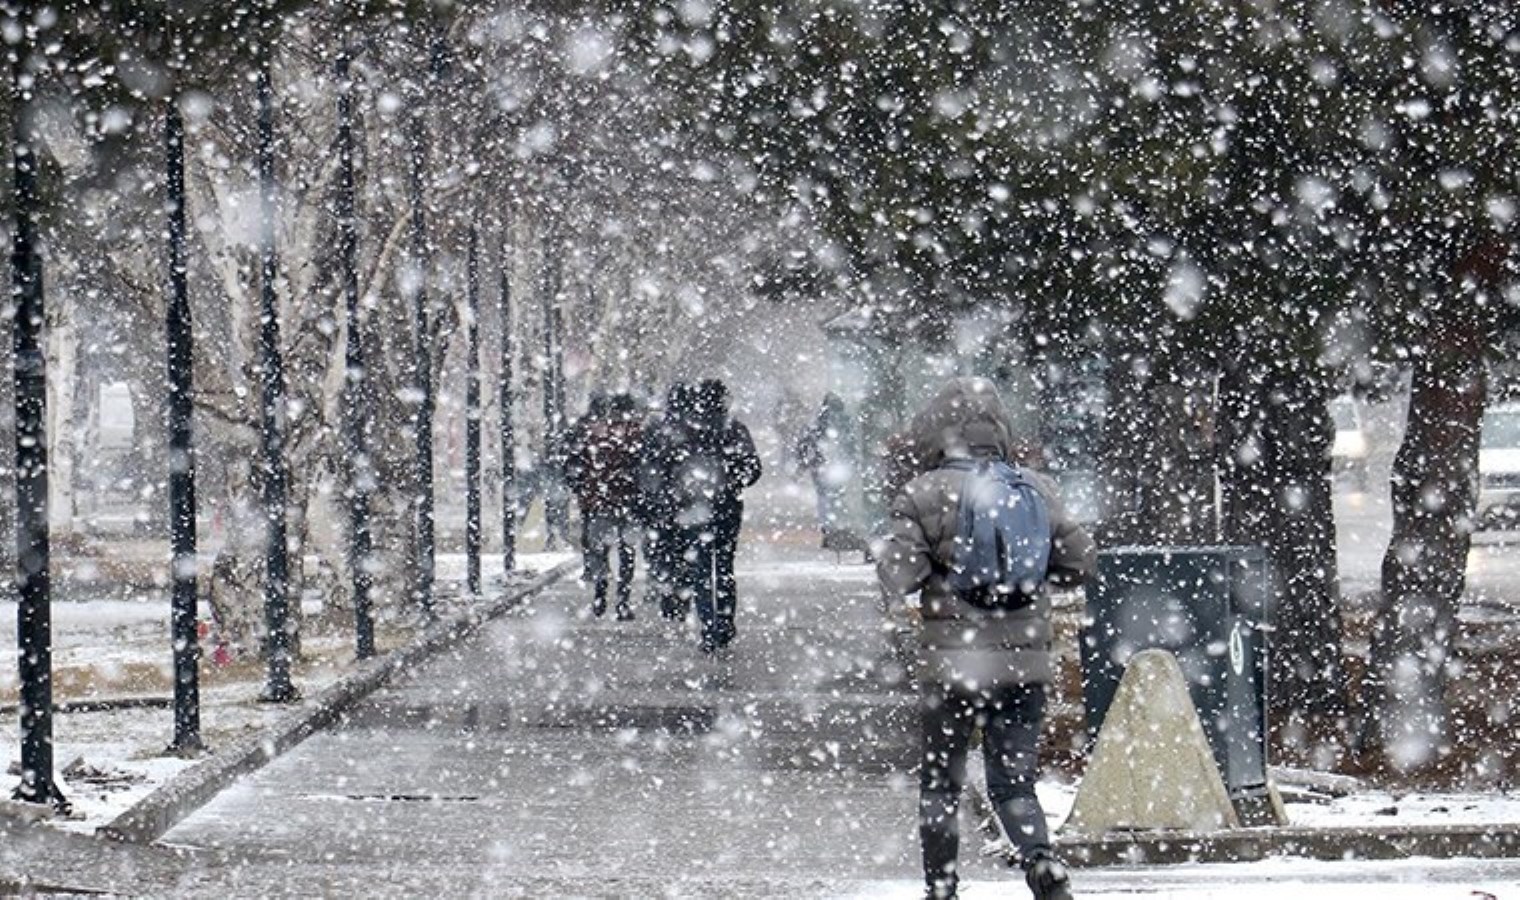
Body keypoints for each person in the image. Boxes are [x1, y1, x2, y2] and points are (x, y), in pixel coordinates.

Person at [874, 377, 1094, 900]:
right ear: (1000, 430)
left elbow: (897, 575)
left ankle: (943, 885)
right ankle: (1042, 860)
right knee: (1014, 779)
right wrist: (1027, 586)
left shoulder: (922, 493)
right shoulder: (1036, 488)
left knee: (942, 783)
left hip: (953, 665)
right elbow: (1080, 562)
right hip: (1025, 664)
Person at [667, 379, 761, 653]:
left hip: (695, 509)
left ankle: (708, 627)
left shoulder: (684, 431)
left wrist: (681, 493)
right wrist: (733, 482)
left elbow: (668, 469)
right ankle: (724, 623)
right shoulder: (734, 429)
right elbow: (753, 468)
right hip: (727, 507)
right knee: (724, 567)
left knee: (701, 570)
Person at [564, 391, 645, 620]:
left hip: (599, 501)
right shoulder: (636, 434)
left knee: (600, 551)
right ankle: (623, 601)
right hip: (628, 501)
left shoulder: (591, 433)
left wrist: (582, 489)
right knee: (626, 553)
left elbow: (573, 464)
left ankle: (600, 597)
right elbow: (646, 469)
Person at [639, 383, 696, 620]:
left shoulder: (656, 428)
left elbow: (646, 464)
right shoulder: (695, 428)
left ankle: (667, 592)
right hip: (687, 501)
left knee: (662, 549)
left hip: (661, 501)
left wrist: (646, 496)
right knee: (685, 549)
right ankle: (682, 594)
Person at [794, 392, 863, 552]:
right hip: (837, 465)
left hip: (820, 465)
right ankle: (837, 526)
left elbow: (806, 442)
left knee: (824, 496)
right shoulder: (844, 421)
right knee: (836, 495)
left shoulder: (818, 420)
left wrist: (804, 463)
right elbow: (850, 443)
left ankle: (828, 528)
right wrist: (851, 460)